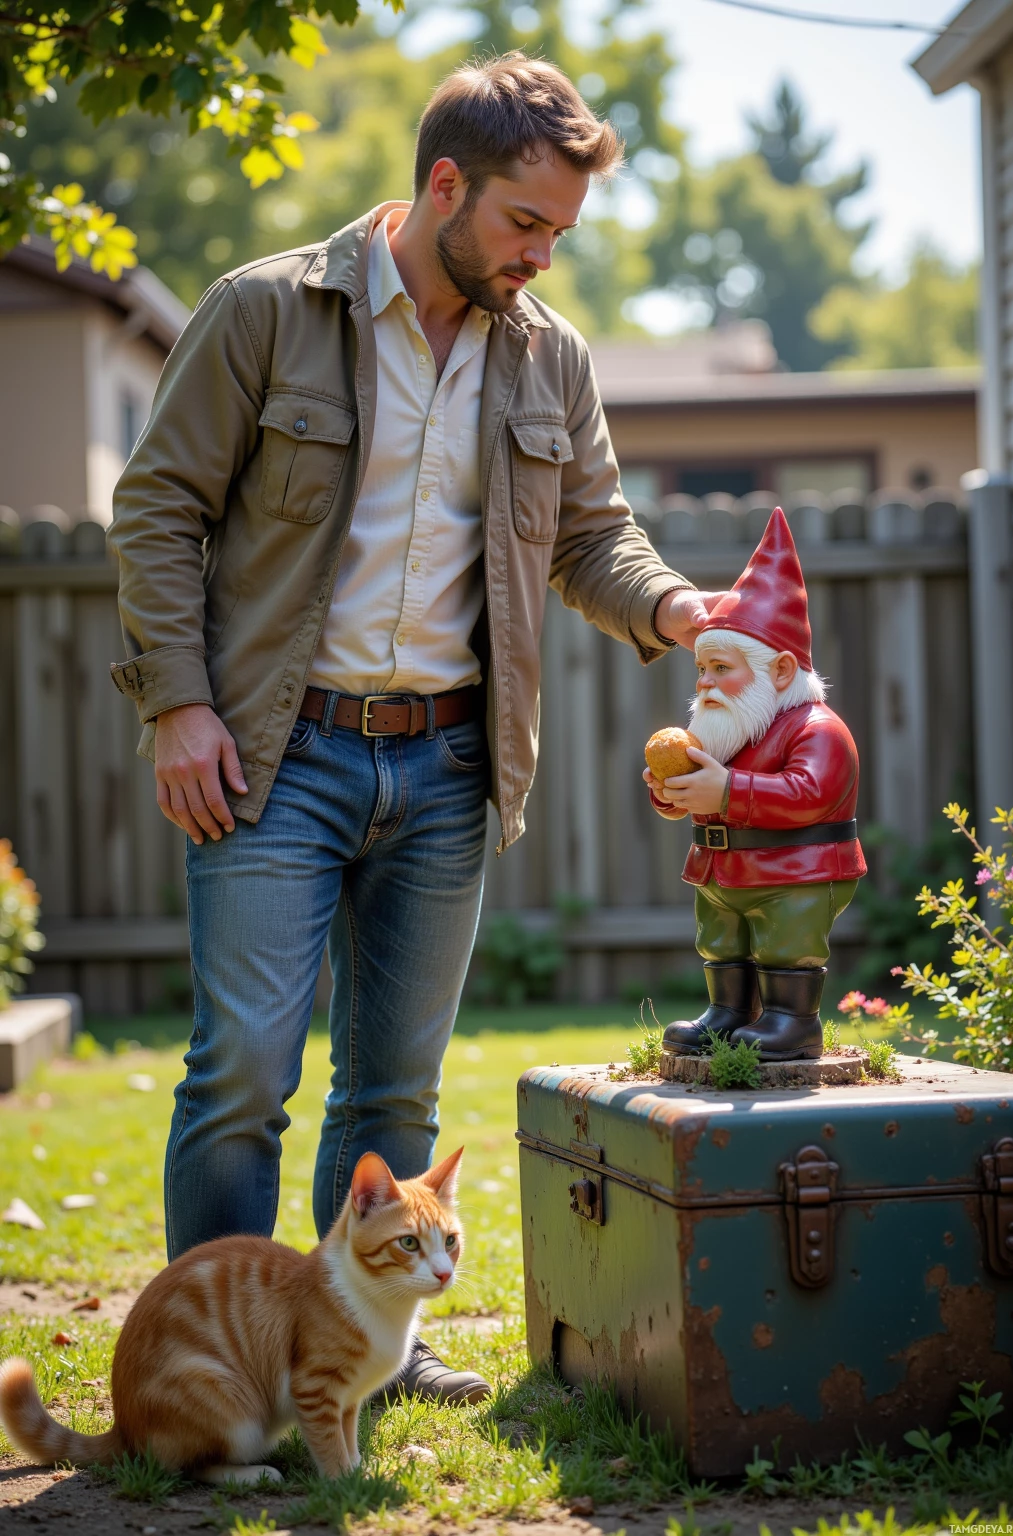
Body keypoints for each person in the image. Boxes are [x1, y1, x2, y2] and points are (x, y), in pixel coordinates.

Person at [109, 51, 719, 1402]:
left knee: (395, 1093)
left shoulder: (547, 357)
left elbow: (592, 536)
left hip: (447, 763)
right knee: (243, 1074)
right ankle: (212, 1359)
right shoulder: (269, 311)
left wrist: (678, 610)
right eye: (522, 223)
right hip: (277, 753)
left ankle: (366, 1356)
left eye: (562, 233)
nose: (541, 258)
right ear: (444, 183)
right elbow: (157, 507)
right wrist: (180, 704)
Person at [645, 508, 867, 1062]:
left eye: (722, 668)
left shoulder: (819, 731)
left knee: (784, 943)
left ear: (782, 671)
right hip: (725, 873)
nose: (706, 683)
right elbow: (704, 789)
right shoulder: (729, 729)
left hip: (797, 874)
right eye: (702, 670)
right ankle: (728, 1011)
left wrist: (725, 792)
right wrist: (670, 792)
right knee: (721, 939)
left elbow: (807, 794)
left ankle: (793, 1020)